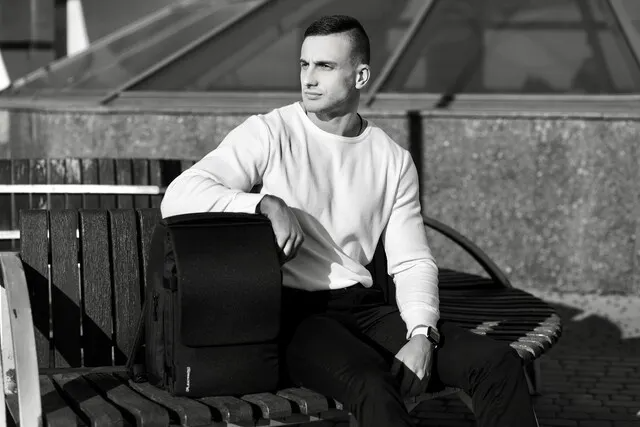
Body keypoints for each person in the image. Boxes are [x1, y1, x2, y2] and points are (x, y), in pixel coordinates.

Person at [161, 14, 539, 427]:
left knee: (497, 363)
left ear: (360, 76)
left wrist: (421, 334)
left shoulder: (391, 159)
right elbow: (180, 194)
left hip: (367, 309)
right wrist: (264, 204)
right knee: (374, 383)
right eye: (304, 64)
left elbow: (411, 262)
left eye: (325, 66)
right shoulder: (270, 132)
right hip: (297, 317)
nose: (309, 79)